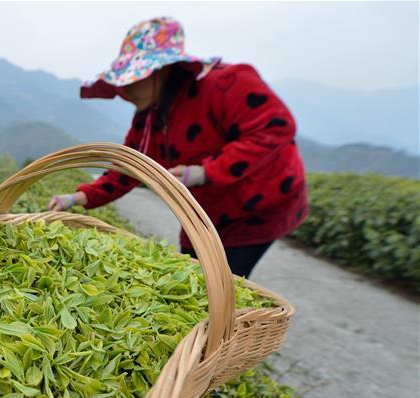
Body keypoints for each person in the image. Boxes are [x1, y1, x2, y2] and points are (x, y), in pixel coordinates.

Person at [49, 17, 308, 278]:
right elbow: (129, 168)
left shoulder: (225, 84)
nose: (125, 90)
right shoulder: (149, 117)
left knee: (224, 281)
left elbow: (275, 127)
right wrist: (77, 198)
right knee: (190, 273)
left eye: (133, 79)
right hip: (205, 210)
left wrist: (203, 172)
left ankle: (240, 318)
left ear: (161, 70)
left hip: (260, 201)